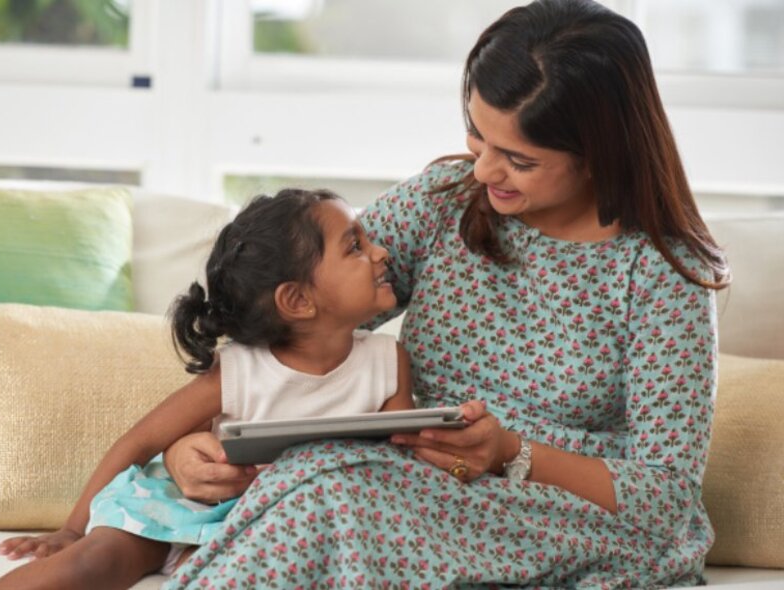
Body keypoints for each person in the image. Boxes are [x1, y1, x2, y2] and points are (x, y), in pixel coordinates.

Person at [161, 0, 730, 587]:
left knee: (334, 493)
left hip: (555, 511)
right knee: (319, 480)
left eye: (518, 159)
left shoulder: (664, 272)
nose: (484, 171)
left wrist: (509, 451)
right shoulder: (444, 201)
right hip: (398, 482)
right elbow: (299, 313)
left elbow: (668, 497)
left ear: (601, 153)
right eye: (477, 137)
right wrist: (191, 446)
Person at [0, 188, 415, 590]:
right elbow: (140, 442)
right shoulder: (240, 369)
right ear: (298, 300)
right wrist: (71, 529)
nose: (381, 253)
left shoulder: (387, 361)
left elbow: (397, 468)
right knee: (94, 562)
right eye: (355, 246)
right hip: (184, 504)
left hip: (273, 528)